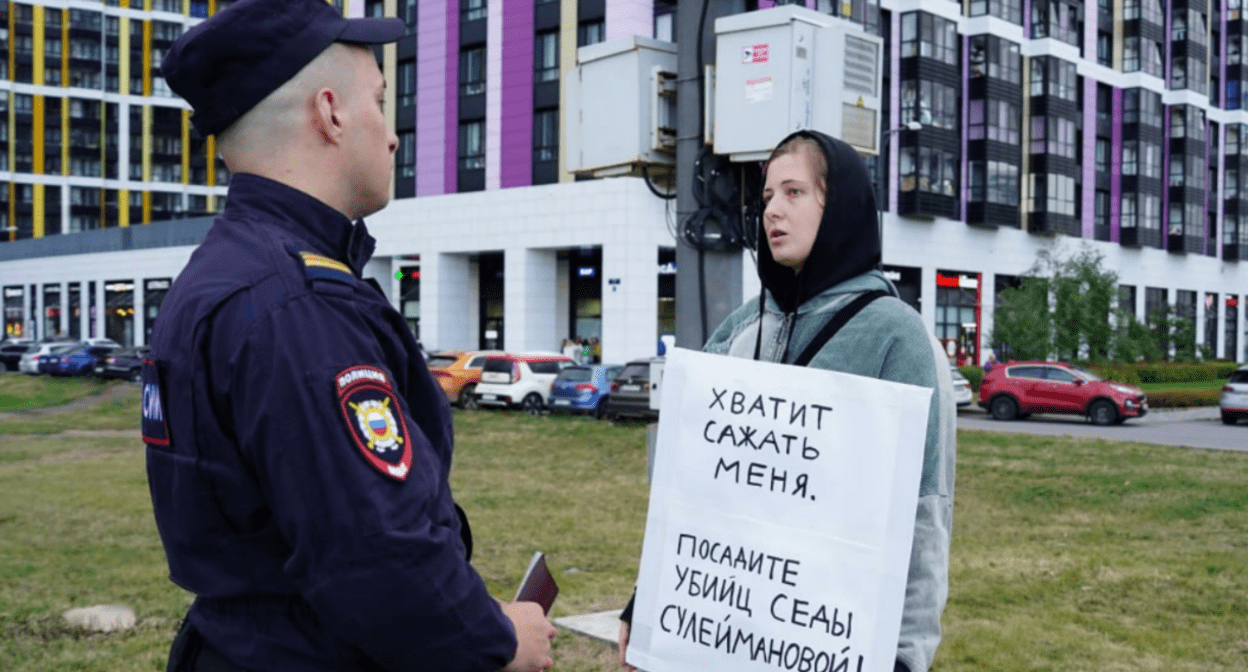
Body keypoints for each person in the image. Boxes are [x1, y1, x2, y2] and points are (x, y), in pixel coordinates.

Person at [144, 1, 555, 670]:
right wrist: (499, 640)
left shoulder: (216, 277)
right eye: (380, 101)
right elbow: (378, 553)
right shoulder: (296, 306)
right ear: (330, 113)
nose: (393, 136)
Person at [617, 130, 956, 672]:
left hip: (829, 638)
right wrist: (650, 598)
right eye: (768, 195)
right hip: (728, 633)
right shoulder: (743, 326)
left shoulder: (898, 337)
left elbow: (923, 513)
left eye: (793, 192)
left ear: (837, 204)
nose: (772, 209)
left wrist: (903, 658)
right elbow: (692, 488)